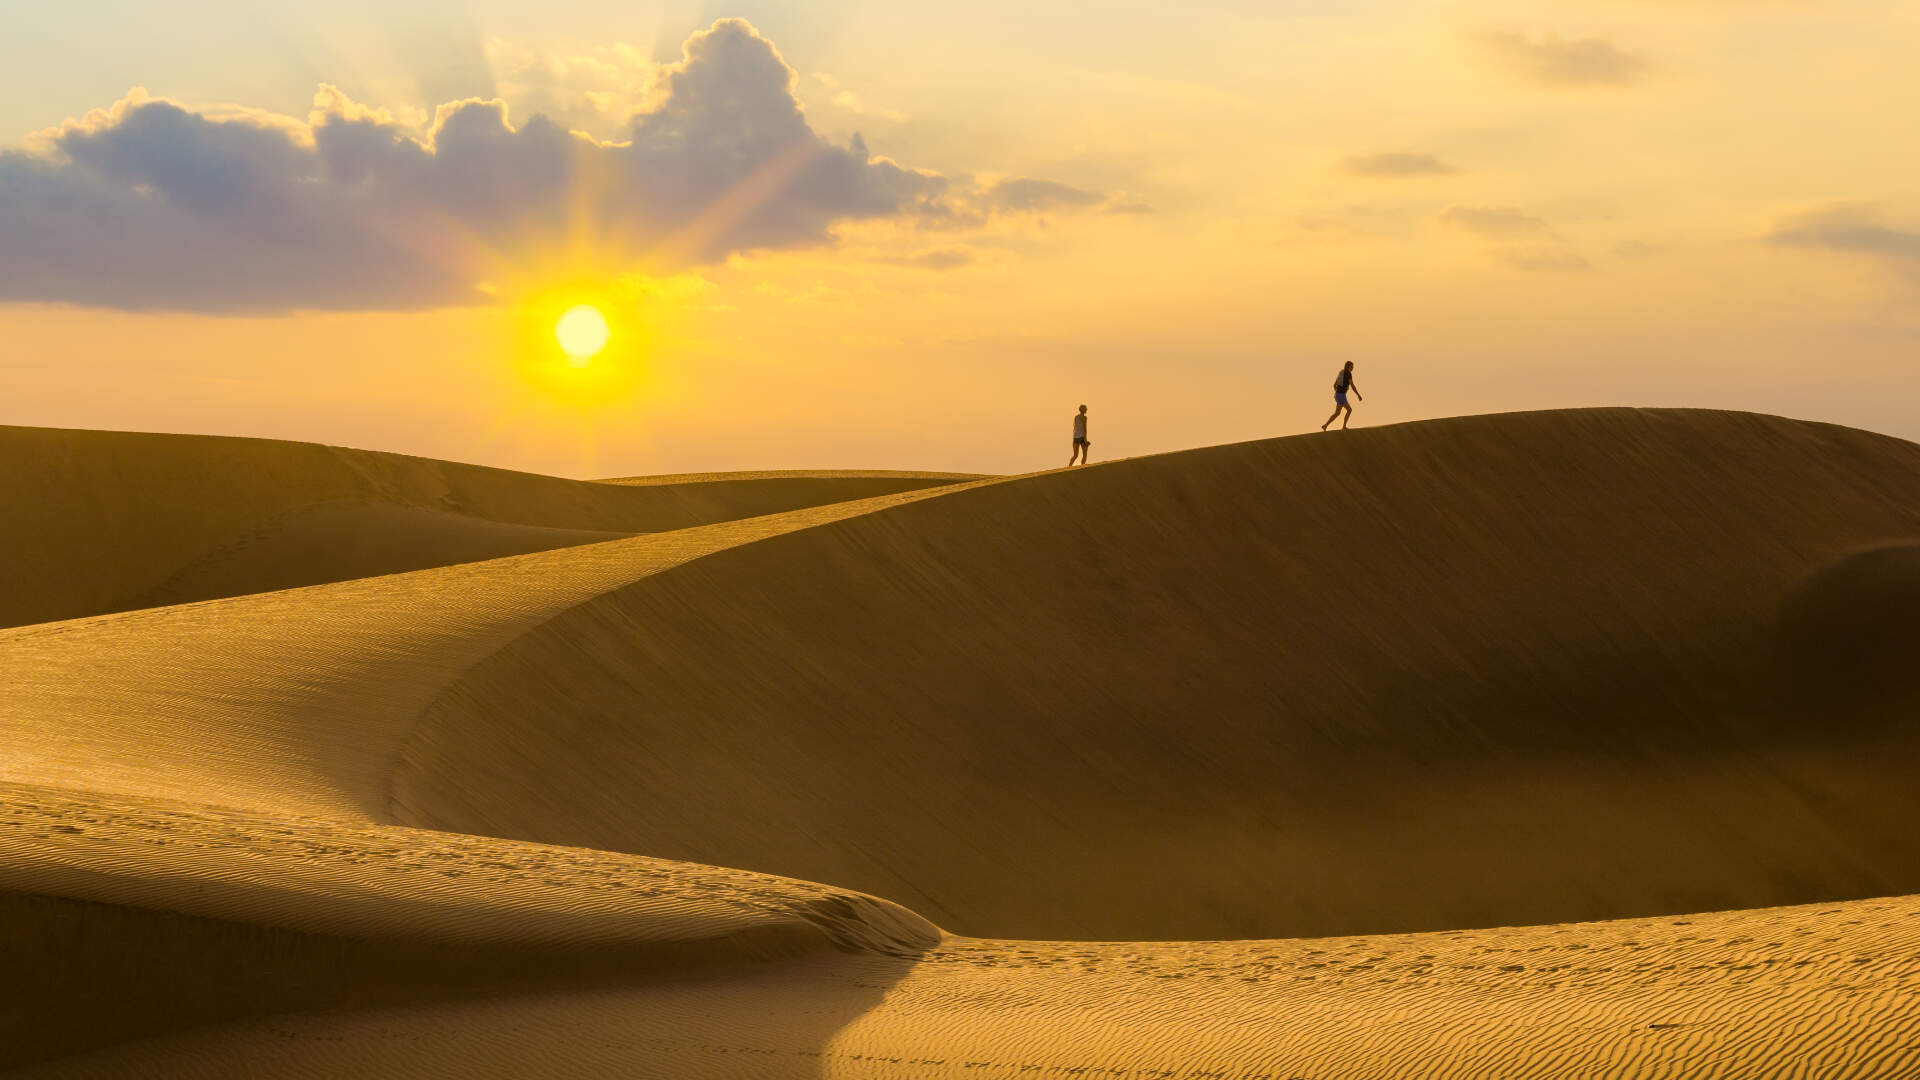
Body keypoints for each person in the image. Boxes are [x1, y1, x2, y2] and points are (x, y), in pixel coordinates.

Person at [1322, 362, 1362, 431]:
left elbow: (1334, 385)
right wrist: (1358, 395)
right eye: (1352, 366)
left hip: (1338, 395)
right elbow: (1352, 385)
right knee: (1348, 410)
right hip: (1341, 395)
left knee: (1338, 412)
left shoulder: (1342, 372)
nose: (1353, 368)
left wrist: (1338, 392)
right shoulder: (1348, 374)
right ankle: (1343, 426)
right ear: (1349, 366)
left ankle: (1325, 425)